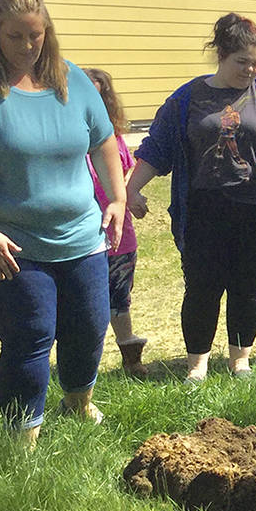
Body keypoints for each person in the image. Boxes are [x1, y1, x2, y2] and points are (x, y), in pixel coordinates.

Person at [0, 0, 125, 447]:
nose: (28, 46)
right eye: (15, 37)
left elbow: (105, 140)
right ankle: (24, 440)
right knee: (31, 334)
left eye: (36, 35)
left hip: (81, 236)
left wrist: (117, 198)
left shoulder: (73, 79)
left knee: (88, 324)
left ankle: (79, 402)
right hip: (9, 241)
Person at [126, 14, 256, 382]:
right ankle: (197, 365)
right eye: (242, 62)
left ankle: (240, 361)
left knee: (247, 287)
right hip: (203, 211)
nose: (250, 69)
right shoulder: (186, 99)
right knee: (201, 288)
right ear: (221, 55)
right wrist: (133, 188)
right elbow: (156, 148)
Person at [84, 67, 147, 378]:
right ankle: (82, 365)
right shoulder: (68, 140)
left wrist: (130, 196)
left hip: (118, 235)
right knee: (85, 302)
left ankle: (130, 359)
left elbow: (127, 169)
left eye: (99, 98)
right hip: (82, 234)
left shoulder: (114, 137)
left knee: (120, 297)